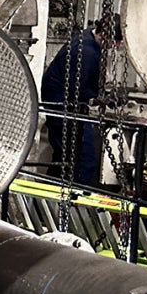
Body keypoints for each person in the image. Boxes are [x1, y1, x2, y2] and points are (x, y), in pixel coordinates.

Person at [41, 25, 102, 185]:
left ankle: (46, 200)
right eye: (115, 42)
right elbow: (80, 87)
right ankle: (73, 200)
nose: (116, 46)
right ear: (104, 35)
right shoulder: (87, 51)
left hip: (61, 103)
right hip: (63, 106)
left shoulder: (85, 40)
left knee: (64, 157)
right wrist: (97, 98)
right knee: (82, 159)